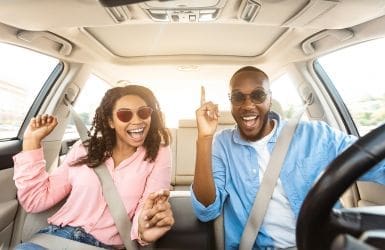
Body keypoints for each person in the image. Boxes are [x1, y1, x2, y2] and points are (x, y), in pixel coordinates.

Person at [191, 66, 385, 249]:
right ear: (230, 102)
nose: (248, 105)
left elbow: (374, 163)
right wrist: (204, 137)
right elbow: (207, 210)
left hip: (321, 243)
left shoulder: (316, 135)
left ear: (269, 98)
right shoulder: (222, 145)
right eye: (238, 97)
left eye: (258, 95)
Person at [13, 85, 174, 249]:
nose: (137, 120)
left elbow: (148, 205)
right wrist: (31, 142)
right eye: (125, 115)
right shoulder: (85, 148)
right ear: (111, 121)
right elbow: (36, 200)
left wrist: (143, 228)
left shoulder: (159, 153)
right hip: (55, 238)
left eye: (143, 112)